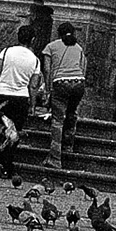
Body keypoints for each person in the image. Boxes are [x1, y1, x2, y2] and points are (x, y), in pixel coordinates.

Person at [0, 24, 42, 186]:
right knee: (12, 134)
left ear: (18, 37)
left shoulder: (6, 52)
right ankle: (6, 166)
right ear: (33, 40)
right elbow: (33, 85)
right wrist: (33, 104)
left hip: (1, 95)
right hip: (20, 98)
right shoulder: (34, 60)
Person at [42, 22, 87, 168]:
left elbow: (47, 70)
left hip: (61, 83)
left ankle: (55, 158)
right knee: (72, 114)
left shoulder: (51, 47)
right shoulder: (79, 48)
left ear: (58, 33)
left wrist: (48, 90)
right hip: (79, 83)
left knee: (57, 120)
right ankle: (68, 146)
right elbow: (83, 67)